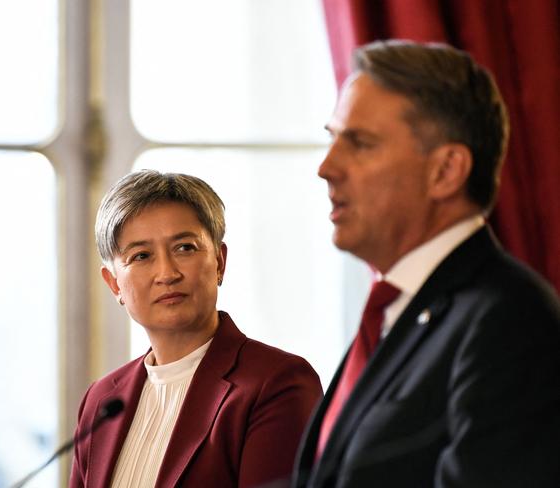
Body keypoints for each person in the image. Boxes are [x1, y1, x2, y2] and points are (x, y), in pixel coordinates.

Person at [292, 40, 560, 487]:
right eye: (332, 138)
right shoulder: (396, 310)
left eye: (359, 143)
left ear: (446, 171)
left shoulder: (510, 322)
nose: (327, 166)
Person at [70, 169, 323, 488]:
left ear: (219, 261)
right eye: (142, 256)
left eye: (185, 248)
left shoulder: (277, 384)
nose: (166, 273)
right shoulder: (100, 401)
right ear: (113, 284)